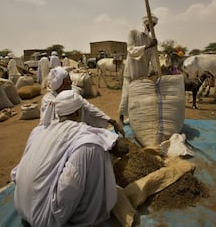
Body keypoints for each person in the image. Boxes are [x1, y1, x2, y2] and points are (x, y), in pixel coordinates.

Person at [11, 89, 128, 226]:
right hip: (47, 220)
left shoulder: (38, 131)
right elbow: (69, 186)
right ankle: (86, 216)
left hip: (21, 207)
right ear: (78, 113)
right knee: (93, 147)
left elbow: (16, 173)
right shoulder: (85, 138)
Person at [40, 66, 124, 136]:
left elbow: (89, 107)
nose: (71, 82)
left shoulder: (72, 94)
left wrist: (111, 121)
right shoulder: (49, 101)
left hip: (77, 132)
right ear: (59, 84)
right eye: (67, 80)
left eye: (70, 79)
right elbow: (48, 122)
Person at [118, 14, 159, 124]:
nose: (152, 27)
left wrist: (156, 70)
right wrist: (147, 46)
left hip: (142, 73)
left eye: (154, 25)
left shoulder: (151, 40)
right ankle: (121, 118)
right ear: (144, 24)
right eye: (150, 24)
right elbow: (131, 50)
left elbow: (153, 57)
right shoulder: (133, 33)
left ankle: (136, 118)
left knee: (138, 97)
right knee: (126, 95)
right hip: (131, 72)